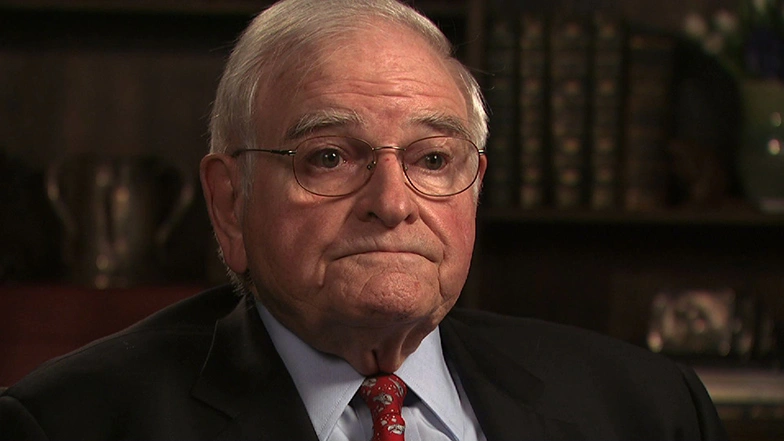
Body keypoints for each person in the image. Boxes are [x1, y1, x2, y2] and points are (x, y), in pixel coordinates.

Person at [0, 0, 728, 439]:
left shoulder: (647, 409)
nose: (392, 200)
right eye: (328, 158)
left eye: (433, 160)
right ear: (229, 203)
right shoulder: (70, 424)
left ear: (475, 184)